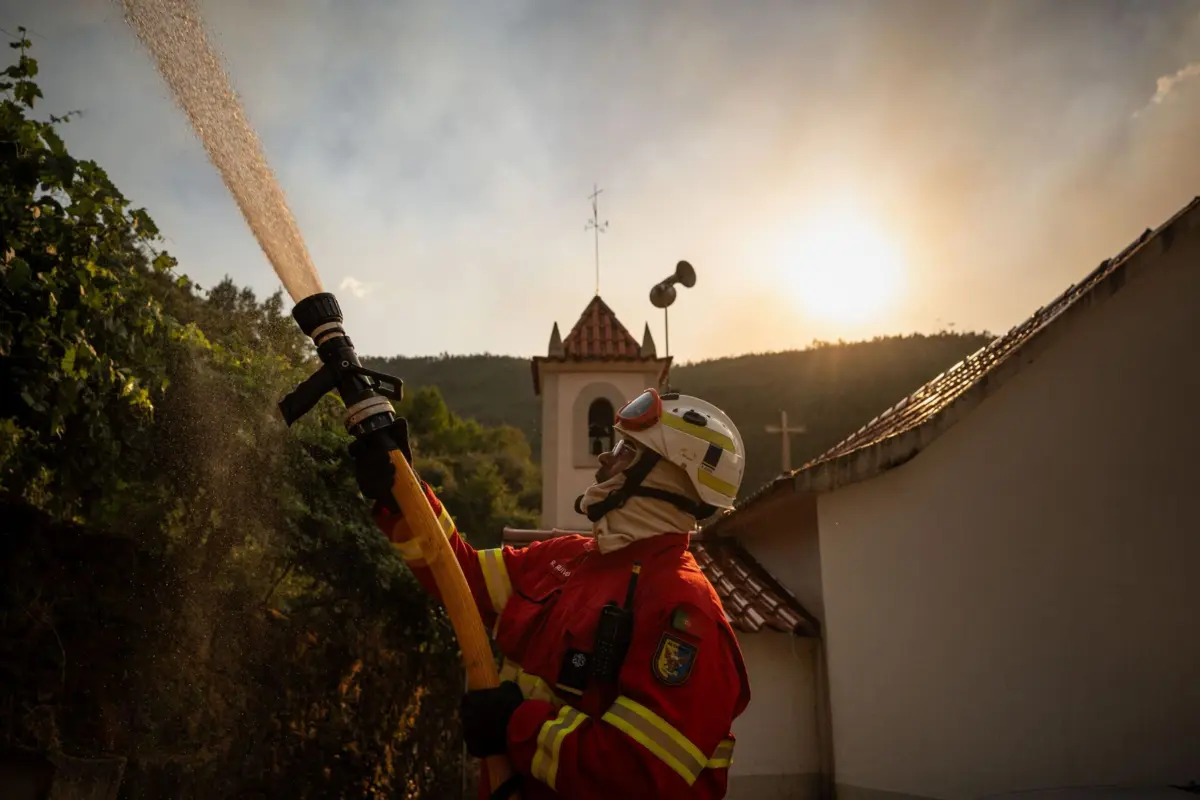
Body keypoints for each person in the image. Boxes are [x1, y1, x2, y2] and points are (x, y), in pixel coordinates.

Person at [351, 388, 751, 799]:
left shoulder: (684, 609)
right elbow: (462, 579)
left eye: (627, 450)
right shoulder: (567, 557)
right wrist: (403, 495)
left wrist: (515, 724)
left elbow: (637, 776)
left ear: (667, 478)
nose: (605, 458)